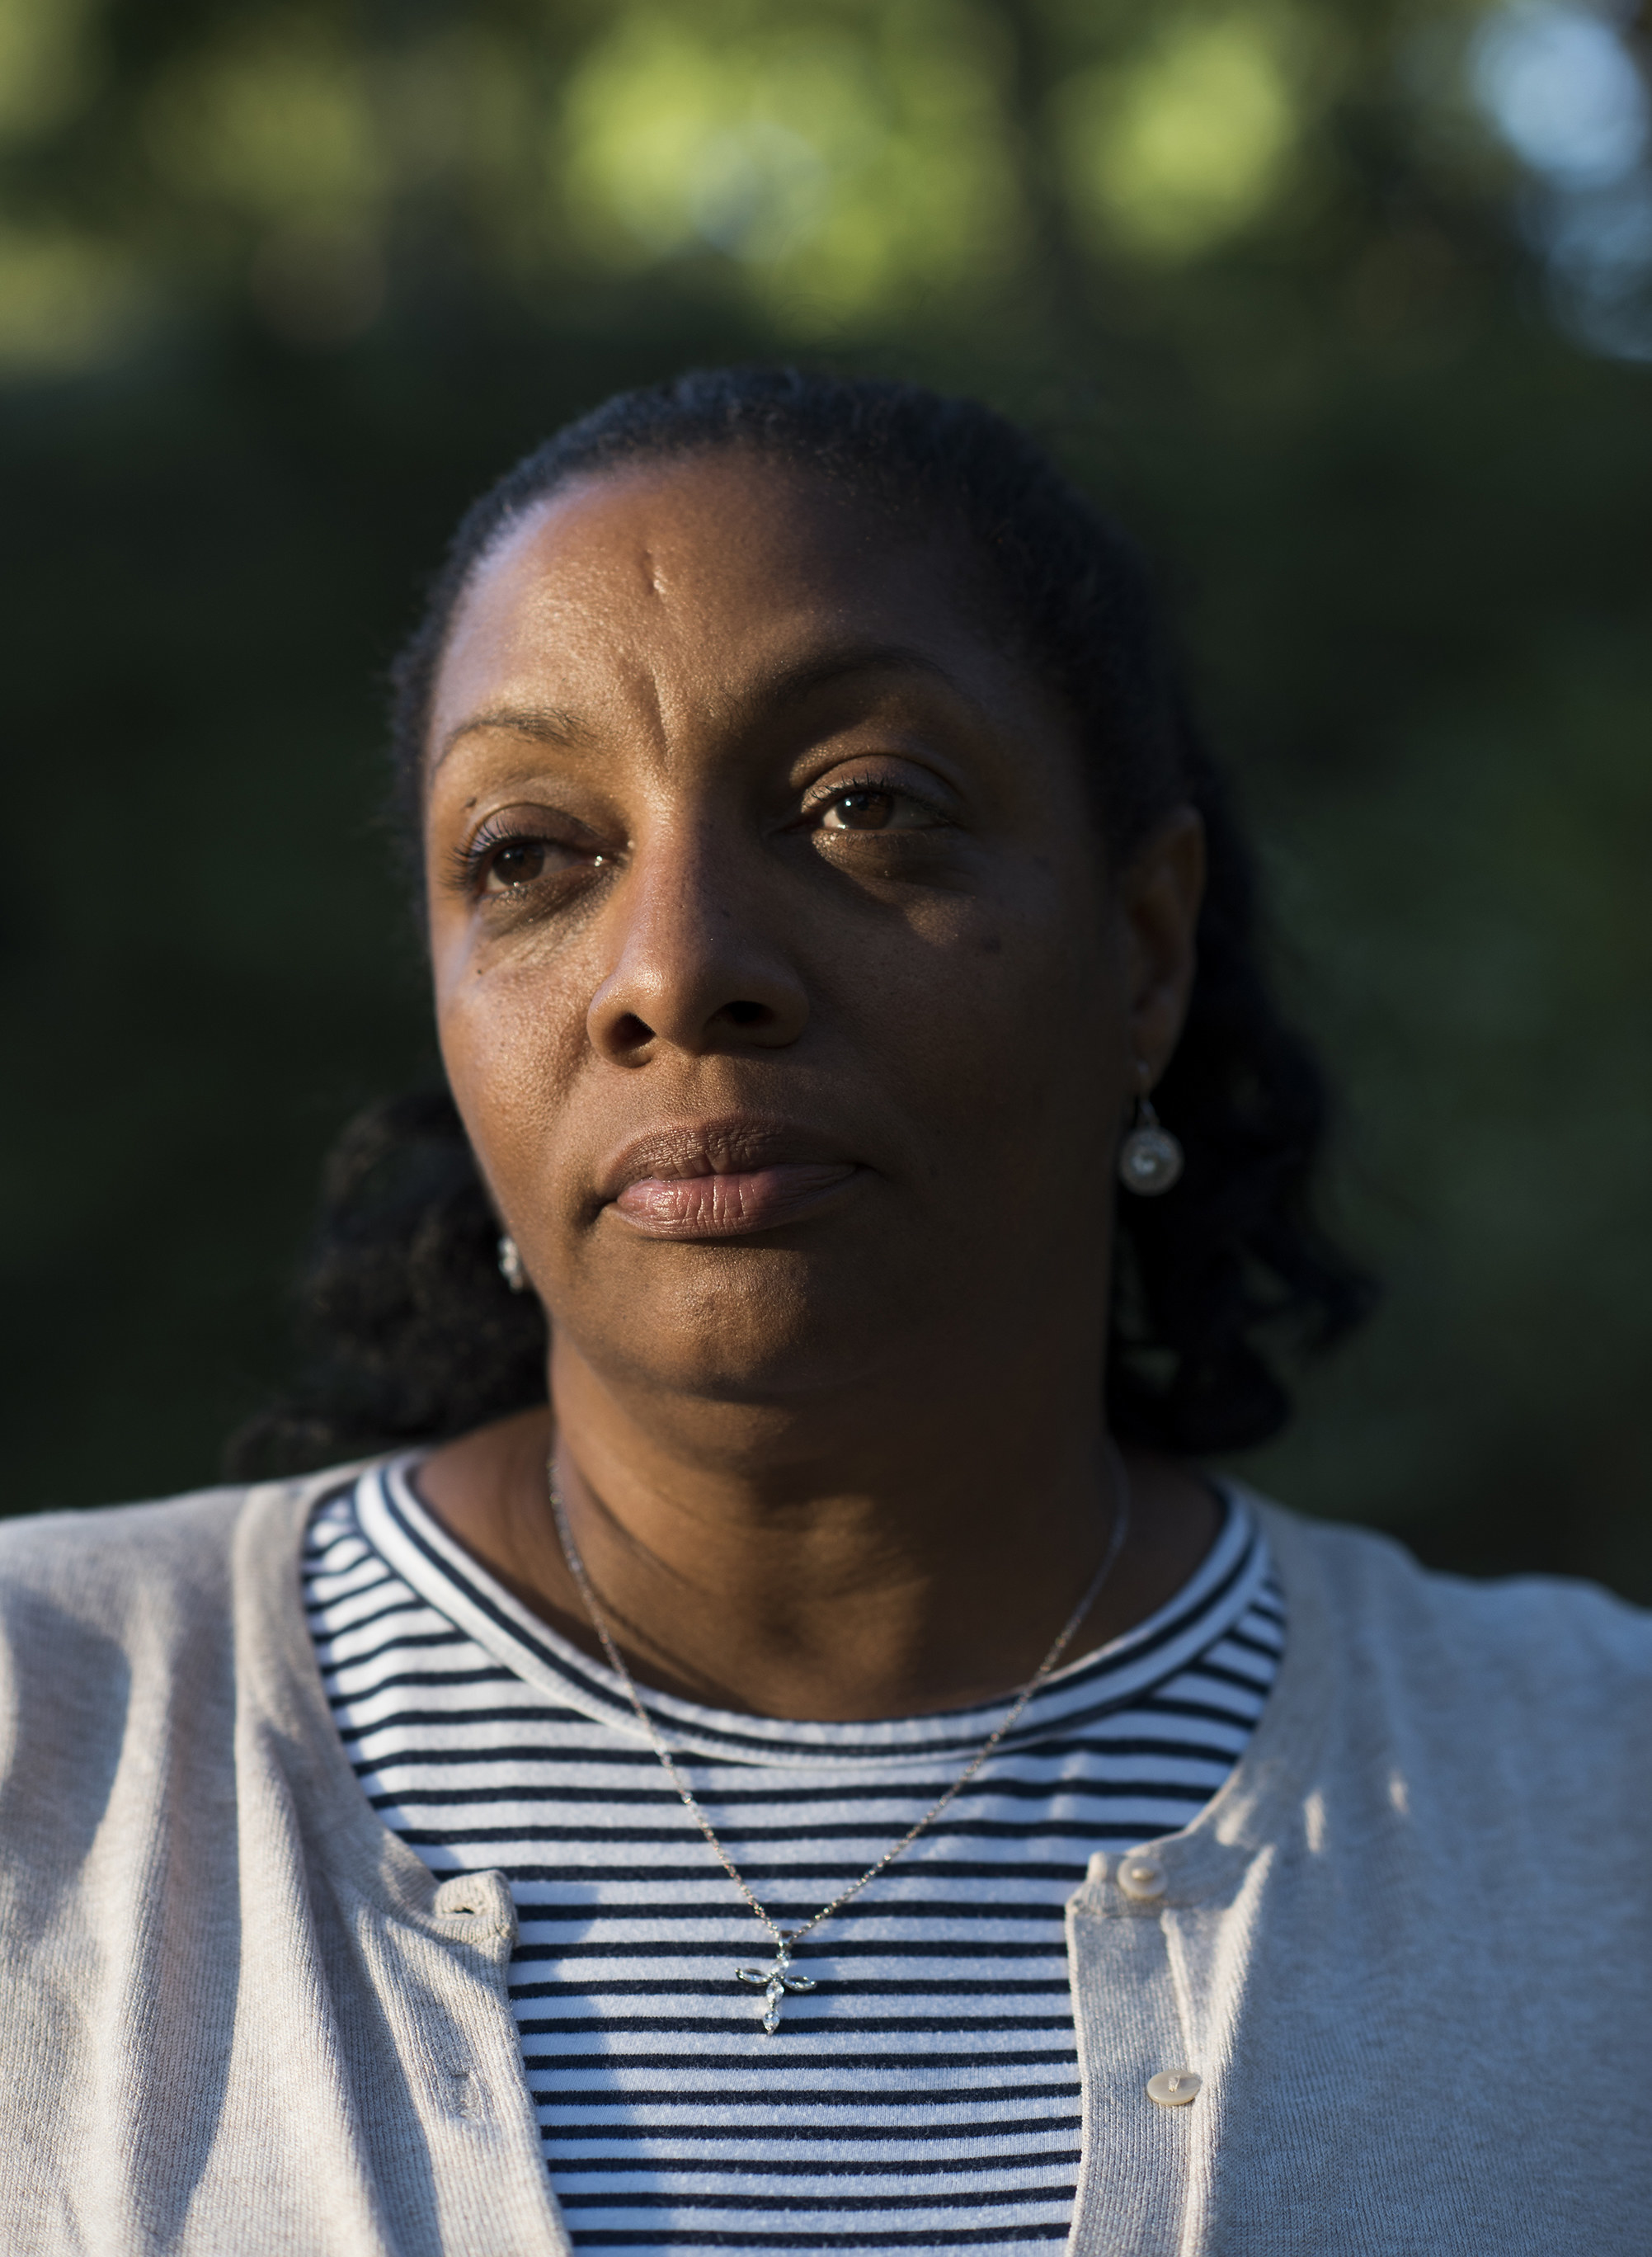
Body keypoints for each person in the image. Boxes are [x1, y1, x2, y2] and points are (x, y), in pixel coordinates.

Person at [1, 370, 1645, 2257]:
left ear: (1144, 949)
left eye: (865, 804)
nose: (679, 968)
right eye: (532, 854)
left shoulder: (1602, 1811)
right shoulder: (51, 1743)